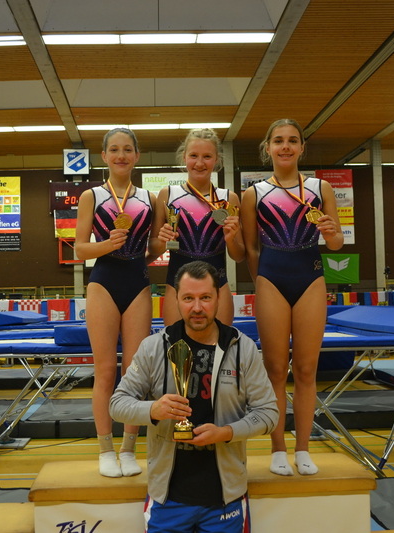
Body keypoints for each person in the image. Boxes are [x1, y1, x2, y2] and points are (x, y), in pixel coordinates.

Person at [110, 261, 278, 533]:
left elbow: (269, 413)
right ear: (176, 299)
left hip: (225, 499)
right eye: (188, 298)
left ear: (219, 298)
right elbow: (118, 404)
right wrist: (153, 409)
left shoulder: (242, 348)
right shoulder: (154, 347)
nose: (197, 308)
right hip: (168, 499)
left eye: (205, 298)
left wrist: (226, 432)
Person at [240, 118, 343, 476]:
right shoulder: (254, 194)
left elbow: (336, 243)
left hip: (310, 278)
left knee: (306, 369)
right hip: (271, 281)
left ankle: (303, 448)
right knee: (274, 370)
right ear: (268, 148)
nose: (285, 146)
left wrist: (330, 231)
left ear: (302, 148)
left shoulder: (319, 188)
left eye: (292, 140)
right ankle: (278, 448)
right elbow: (251, 248)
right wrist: (263, 279)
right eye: (279, 140)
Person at [75, 127, 159, 478]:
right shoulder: (91, 196)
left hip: (138, 284)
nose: (121, 155)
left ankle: (128, 449)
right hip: (103, 283)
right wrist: (107, 245)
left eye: (127, 149)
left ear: (137, 156)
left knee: (134, 373)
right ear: (104, 156)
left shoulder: (150, 199)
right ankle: (106, 449)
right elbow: (80, 249)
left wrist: (163, 242)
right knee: (106, 370)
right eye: (114, 149)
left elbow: (154, 248)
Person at [150, 128, 245, 326]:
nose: (200, 163)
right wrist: (163, 240)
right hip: (177, 288)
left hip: (218, 288)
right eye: (194, 156)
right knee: (178, 345)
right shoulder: (167, 195)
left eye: (207, 156)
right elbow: (153, 247)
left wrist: (231, 239)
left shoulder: (229, 198)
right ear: (184, 157)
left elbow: (239, 256)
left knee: (218, 345)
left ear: (217, 159)